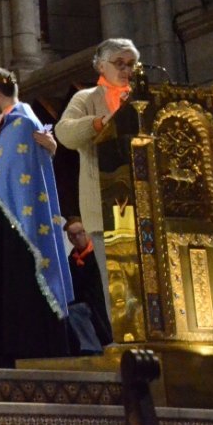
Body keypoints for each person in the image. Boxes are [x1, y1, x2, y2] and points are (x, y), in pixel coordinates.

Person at [0, 67, 72, 367]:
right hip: (5, 219)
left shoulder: (21, 123)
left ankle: (29, 349)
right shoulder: (4, 125)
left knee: (24, 281)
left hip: (21, 221)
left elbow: (9, 175)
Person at [55, 37, 139, 303]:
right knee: (117, 286)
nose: (127, 70)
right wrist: (99, 123)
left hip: (143, 202)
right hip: (105, 203)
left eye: (131, 64)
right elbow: (64, 132)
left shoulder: (141, 99)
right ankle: (123, 341)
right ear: (101, 67)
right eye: (120, 63)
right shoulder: (87, 98)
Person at [64, 216, 113, 349]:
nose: (78, 238)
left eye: (81, 233)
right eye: (73, 236)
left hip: (95, 302)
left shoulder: (96, 253)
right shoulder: (72, 260)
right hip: (82, 301)